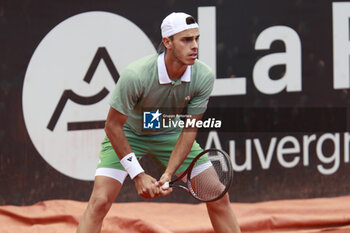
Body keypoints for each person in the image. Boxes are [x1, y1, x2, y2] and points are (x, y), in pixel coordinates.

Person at [76, 12, 241, 233]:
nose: (195, 46)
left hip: (169, 132)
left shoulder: (203, 76)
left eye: (196, 39)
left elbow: (190, 129)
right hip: (128, 133)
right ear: (167, 42)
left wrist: (168, 174)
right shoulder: (136, 75)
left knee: (218, 195)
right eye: (186, 40)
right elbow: (112, 126)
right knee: (99, 203)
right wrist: (138, 174)